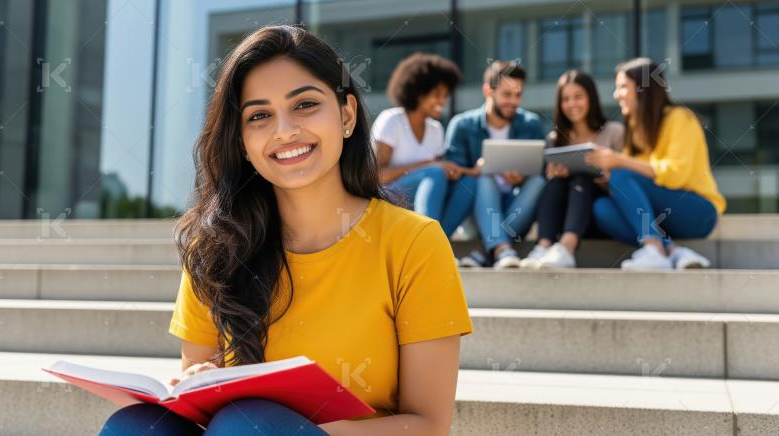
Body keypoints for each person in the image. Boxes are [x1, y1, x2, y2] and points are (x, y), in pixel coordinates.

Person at [99, 25, 473, 436]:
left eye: (305, 105)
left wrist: (294, 430)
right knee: (136, 427)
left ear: (346, 115)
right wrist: (199, 380)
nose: (284, 131)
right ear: (242, 141)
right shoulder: (217, 249)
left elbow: (428, 426)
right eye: (259, 115)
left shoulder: (413, 243)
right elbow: (196, 396)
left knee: (248, 426)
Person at [587, 58, 726, 270]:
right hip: (662, 215)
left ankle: (653, 247)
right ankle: (671, 251)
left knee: (621, 173)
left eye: (623, 87)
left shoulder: (680, 118)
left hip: (698, 211)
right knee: (601, 208)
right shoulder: (634, 129)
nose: (617, 95)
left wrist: (619, 161)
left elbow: (675, 174)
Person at [445, 60, 545, 269]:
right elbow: (452, 172)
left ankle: (488, 250)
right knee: (483, 178)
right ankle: (500, 248)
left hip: (516, 209)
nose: (513, 102)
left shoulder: (531, 124)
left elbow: (539, 168)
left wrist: (522, 177)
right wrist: (476, 169)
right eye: (507, 95)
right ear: (487, 91)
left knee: (537, 181)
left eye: (518, 95)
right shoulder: (462, 125)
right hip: (476, 213)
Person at [520, 70, 624, 269]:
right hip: (565, 216)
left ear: (590, 98)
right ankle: (544, 245)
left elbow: (626, 180)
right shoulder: (554, 139)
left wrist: (607, 177)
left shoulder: (614, 132)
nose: (571, 104)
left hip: (599, 216)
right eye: (565, 99)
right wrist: (554, 174)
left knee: (582, 179)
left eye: (578, 97)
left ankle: (567, 248)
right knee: (556, 181)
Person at [372, 53, 467, 233]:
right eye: (437, 94)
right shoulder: (392, 120)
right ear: (418, 93)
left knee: (469, 184)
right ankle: (429, 241)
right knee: (434, 173)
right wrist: (427, 166)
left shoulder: (436, 129)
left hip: (420, 204)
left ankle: (438, 243)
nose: (443, 102)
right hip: (388, 200)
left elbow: (437, 177)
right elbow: (375, 177)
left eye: (445, 95)